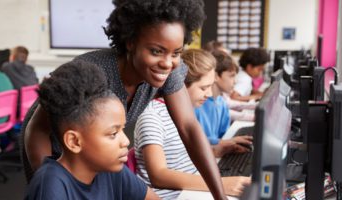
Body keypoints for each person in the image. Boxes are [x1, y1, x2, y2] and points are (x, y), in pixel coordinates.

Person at [21, 0, 227, 199]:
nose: (167, 63)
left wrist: (220, 196)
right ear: (131, 42)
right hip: (53, 153)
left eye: (177, 53)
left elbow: (189, 128)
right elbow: (38, 130)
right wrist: (54, 181)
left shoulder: (167, 69)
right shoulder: (94, 70)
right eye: (156, 51)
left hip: (95, 156)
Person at [25, 60, 159, 200]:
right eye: (113, 134)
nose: (126, 141)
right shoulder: (50, 187)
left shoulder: (110, 168)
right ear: (74, 141)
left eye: (122, 130)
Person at [134, 49, 250, 199]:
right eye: (203, 88)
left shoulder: (186, 112)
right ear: (180, 84)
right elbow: (158, 175)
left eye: (210, 86)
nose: (209, 94)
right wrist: (221, 183)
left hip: (190, 191)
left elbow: (180, 157)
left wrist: (217, 151)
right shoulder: (152, 116)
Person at [195, 50, 253, 159]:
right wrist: (223, 142)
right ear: (216, 76)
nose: (234, 82)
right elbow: (194, 140)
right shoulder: (197, 105)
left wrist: (229, 144)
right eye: (231, 76)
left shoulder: (221, 102)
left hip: (214, 154)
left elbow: (223, 135)